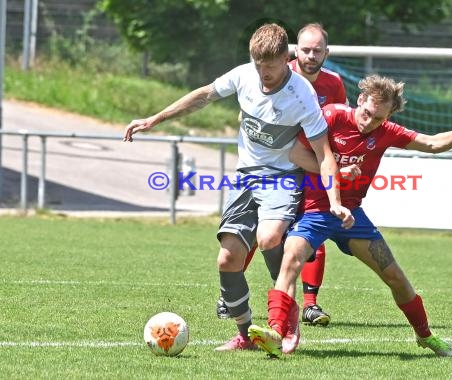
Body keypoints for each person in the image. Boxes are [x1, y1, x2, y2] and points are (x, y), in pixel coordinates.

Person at [123, 23, 354, 352]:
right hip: (245, 176)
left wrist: (335, 199)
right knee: (227, 260)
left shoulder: (302, 95)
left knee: (269, 237)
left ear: (284, 59)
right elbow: (203, 95)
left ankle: (286, 319)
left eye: (270, 67)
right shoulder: (245, 74)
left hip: (282, 178)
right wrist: (153, 120)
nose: (264, 74)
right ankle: (246, 334)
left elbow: (324, 154)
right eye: (259, 65)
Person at [247, 74, 452, 357]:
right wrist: (336, 173)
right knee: (291, 259)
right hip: (316, 211)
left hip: (352, 217)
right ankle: (276, 330)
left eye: (378, 119)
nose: (369, 122)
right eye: (367, 113)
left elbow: (432, 144)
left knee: (395, 277)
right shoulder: (331, 116)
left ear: (388, 117)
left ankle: (426, 336)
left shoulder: (388, 131)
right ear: (360, 100)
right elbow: (296, 155)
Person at [216, 23, 348, 327]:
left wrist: (338, 165)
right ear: (294, 51)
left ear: (326, 53)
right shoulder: (274, 70)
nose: (311, 55)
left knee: (311, 228)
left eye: (317, 50)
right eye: (306, 49)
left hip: (312, 164)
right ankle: (234, 294)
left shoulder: (333, 84)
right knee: (255, 235)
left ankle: (309, 304)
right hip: (278, 166)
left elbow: (337, 125)